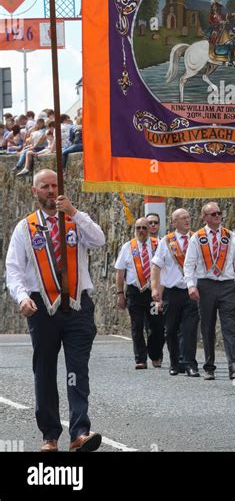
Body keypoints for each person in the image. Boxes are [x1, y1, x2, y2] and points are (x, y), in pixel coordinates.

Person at [5, 169, 105, 452]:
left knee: (77, 369)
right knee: (45, 370)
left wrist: (74, 212)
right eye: (45, 187)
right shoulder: (25, 228)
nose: (51, 190)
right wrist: (22, 297)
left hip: (76, 304)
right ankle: (50, 435)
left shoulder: (76, 222)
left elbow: (99, 240)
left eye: (55, 186)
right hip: (42, 305)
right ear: (34, 192)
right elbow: (13, 270)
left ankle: (80, 432)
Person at [183, 202, 235, 380]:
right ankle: (209, 365)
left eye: (219, 213)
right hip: (206, 284)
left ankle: (233, 365)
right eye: (212, 214)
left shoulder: (230, 236)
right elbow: (189, 264)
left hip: (227, 284)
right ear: (204, 217)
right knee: (207, 326)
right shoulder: (197, 237)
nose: (217, 216)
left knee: (229, 326)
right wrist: (191, 285)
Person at [151, 208, 199, 377]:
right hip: (172, 291)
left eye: (188, 217)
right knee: (170, 329)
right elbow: (156, 266)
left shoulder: (196, 238)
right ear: (174, 222)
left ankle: (190, 363)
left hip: (191, 290)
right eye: (182, 218)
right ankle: (174, 363)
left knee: (190, 329)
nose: (187, 220)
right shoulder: (166, 241)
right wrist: (155, 289)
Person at [115, 218, 165, 369]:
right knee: (137, 326)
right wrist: (120, 293)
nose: (142, 231)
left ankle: (155, 354)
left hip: (153, 292)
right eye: (138, 228)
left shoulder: (159, 245)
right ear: (134, 230)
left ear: (149, 229)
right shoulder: (127, 247)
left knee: (156, 326)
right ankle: (140, 359)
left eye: (144, 227)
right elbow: (120, 271)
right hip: (135, 292)